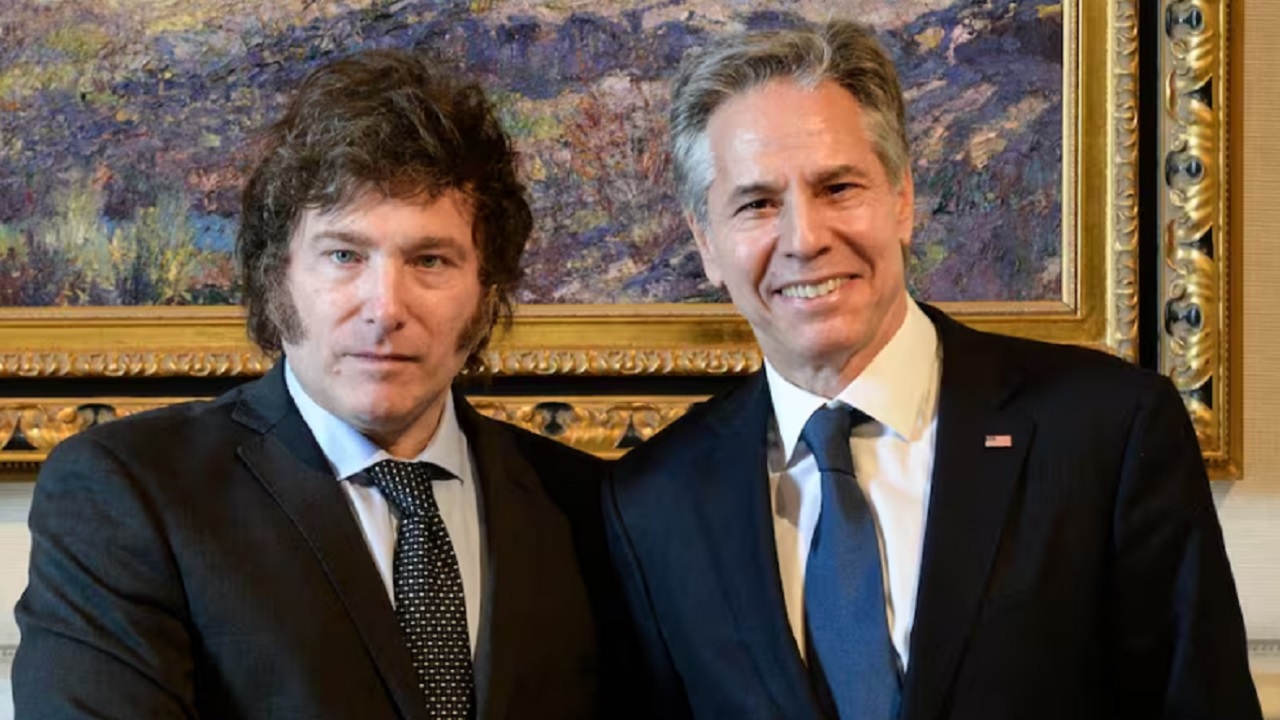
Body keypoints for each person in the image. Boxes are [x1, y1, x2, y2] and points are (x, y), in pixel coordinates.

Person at [602, 20, 1261, 720]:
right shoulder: (655, 501)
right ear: (707, 243)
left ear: (903, 199)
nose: (805, 239)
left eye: (838, 188)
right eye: (757, 203)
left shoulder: (1107, 431)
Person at [15, 49, 631, 719]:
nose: (385, 307)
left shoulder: (593, 506)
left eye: (430, 260)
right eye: (343, 255)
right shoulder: (130, 492)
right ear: (276, 277)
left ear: (487, 292)